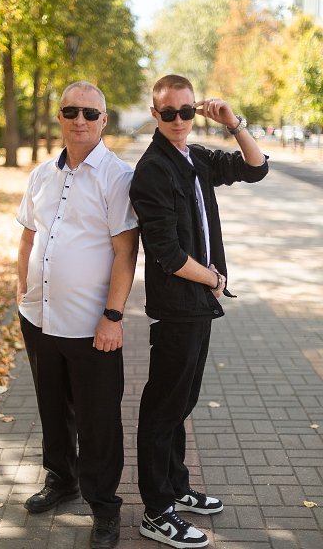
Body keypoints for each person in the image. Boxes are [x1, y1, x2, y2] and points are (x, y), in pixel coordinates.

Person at [129, 74, 268, 548]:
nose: (178, 120)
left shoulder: (195, 157)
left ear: (195, 110)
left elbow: (255, 168)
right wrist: (213, 279)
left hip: (198, 304)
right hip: (178, 306)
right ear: (155, 114)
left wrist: (233, 123)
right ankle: (156, 511)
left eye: (186, 111)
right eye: (168, 113)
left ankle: (176, 488)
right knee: (163, 408)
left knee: (182, 402)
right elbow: (167, 253)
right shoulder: (153, 170)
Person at [16, 81, 138, 549]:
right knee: (52, 408)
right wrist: (22, 291)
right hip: (39, 317)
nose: (80, 120)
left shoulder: (118, 177)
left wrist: (113, 316)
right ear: (60, 117)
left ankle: (104, 508)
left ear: (103, 120)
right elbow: (28, 236)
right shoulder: (41, 175)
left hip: (92, 326)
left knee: (98, 420)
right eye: (71, 111)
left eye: (90, 112)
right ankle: (61, 479)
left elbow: (125, 253)